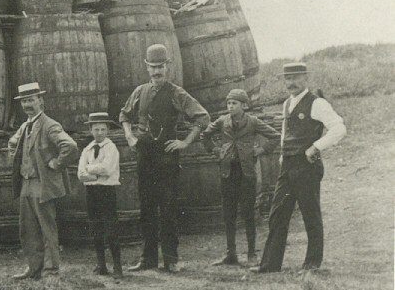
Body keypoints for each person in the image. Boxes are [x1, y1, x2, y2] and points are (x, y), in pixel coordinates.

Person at [119, 44, 210, 274]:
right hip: (145, 155)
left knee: (168, 208)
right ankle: (147, 259)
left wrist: (185, 142)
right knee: (146, 208)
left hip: (167, 157)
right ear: (146, 67)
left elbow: (202, 118)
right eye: (153, 67)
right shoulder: (140, 91)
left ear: (167, 66)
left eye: (160, 66)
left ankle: (171, 259)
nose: (157, 71)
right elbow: (124, 115)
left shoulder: (176, 93)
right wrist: (129, 136)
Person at [252, 62, 346, 274]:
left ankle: (312, 265)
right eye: (288, 78)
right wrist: (282, 157)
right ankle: (270, 265)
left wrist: (316, 147)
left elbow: (339, 128)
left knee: (310, 215)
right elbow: (285, 133)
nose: (291, 82)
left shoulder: (317, 103)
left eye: (295, 77)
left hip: (307, 166)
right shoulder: (287, 103)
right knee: (278, 214)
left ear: (305, 78)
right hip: (288, 166)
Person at [201, 88, 281, 266]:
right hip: (227, 173)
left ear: (244, 105)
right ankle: (231, 254)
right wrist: (217, 150)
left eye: (234, 103)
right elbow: (205, 135)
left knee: (248, 213)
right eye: (228, 103)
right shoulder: (222, 121)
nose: (230, 106)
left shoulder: (253, 122)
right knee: (228, 214)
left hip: (247, 174)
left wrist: (260, 150)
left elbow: (275, 136)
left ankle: (252, 254)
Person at [8, 82, 78, 281]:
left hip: (42, 184)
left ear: (40, 100)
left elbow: (70, 146)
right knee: (28, 229)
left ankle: (51, 270)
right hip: (26, 184)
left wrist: (56, 163)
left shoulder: (50, 125)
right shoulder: (25, 126)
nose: (27, 105)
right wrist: (16, 158)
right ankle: (34, 267)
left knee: (47, 228)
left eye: (30, 100)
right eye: (24, 101)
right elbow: (12, 143)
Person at [77, 112, 123, 280]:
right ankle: (101, 264)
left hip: (107, 191)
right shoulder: (87, 149)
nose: (100, 132)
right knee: (96, 228)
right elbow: (80, 174)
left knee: (111, 229)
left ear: (108, 130)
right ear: (91, 130)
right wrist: (96, 174)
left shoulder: (111, 148)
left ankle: (117, 266)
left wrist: (90, 169)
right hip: (92, 193)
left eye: (103, 129)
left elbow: (108, 169)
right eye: (96, 129)